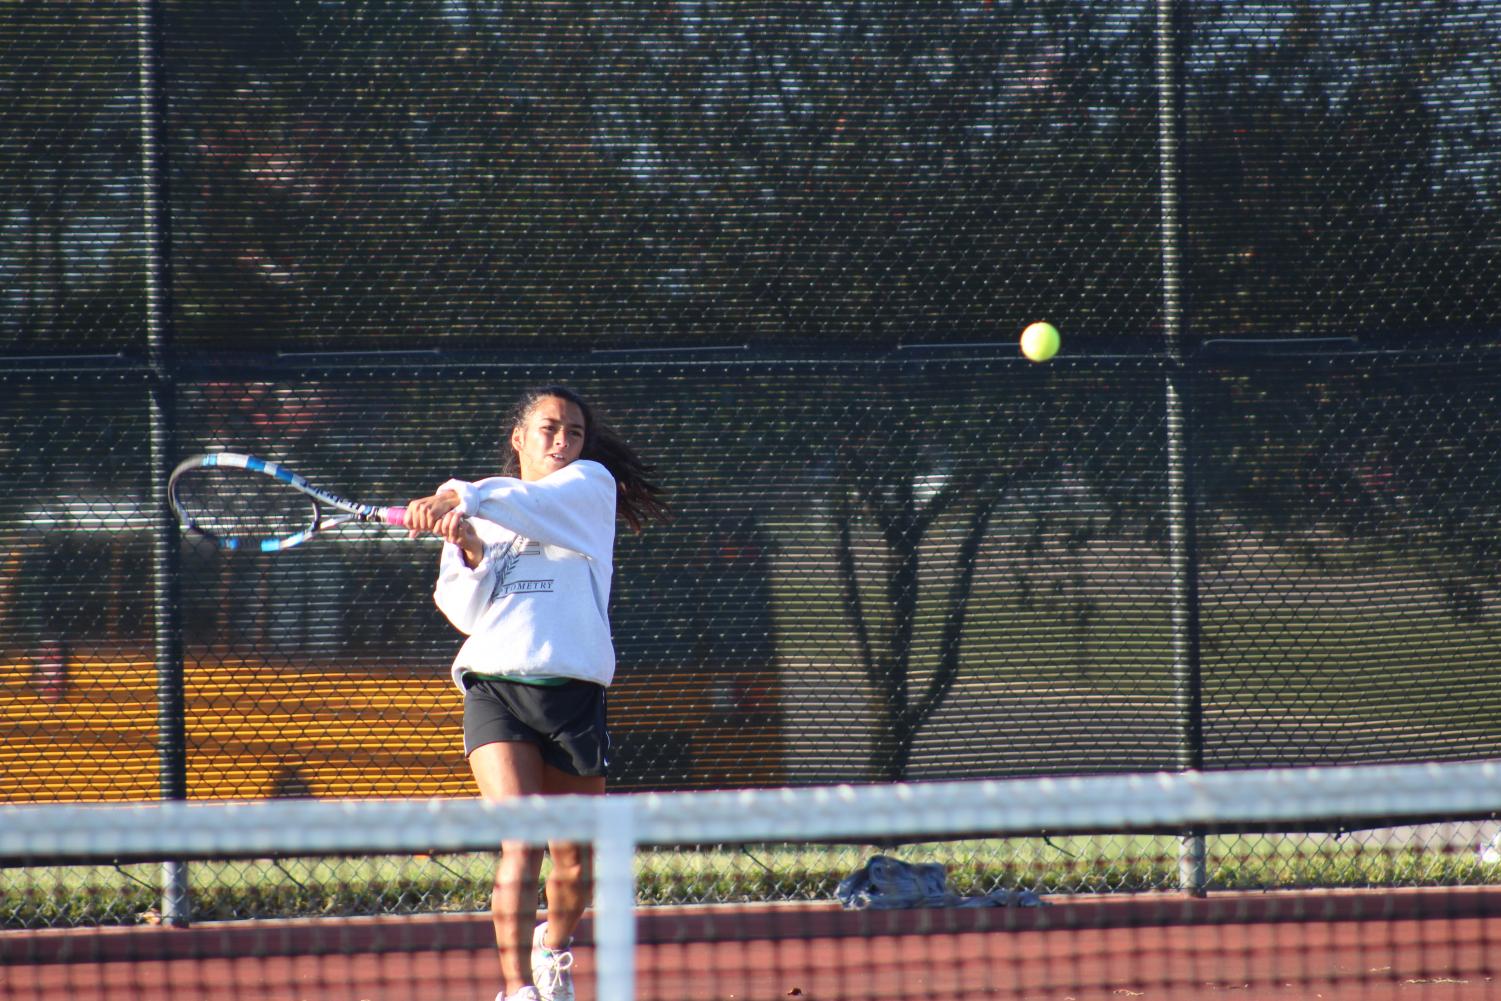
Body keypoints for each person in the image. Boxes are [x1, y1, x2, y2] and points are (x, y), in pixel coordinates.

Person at [403, 385, 667, 1001]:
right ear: (519, 438)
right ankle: (517, 990)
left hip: (574, 692)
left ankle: (553, 949)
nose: (562, 441)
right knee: (520, 839)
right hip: (495, 685)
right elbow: (465, 613)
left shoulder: (591, 489)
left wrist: (455, 493)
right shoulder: (483, 511)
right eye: (549, 428)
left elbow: (516, 500)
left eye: (573, 432)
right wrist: (467, 549)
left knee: (574, 863)